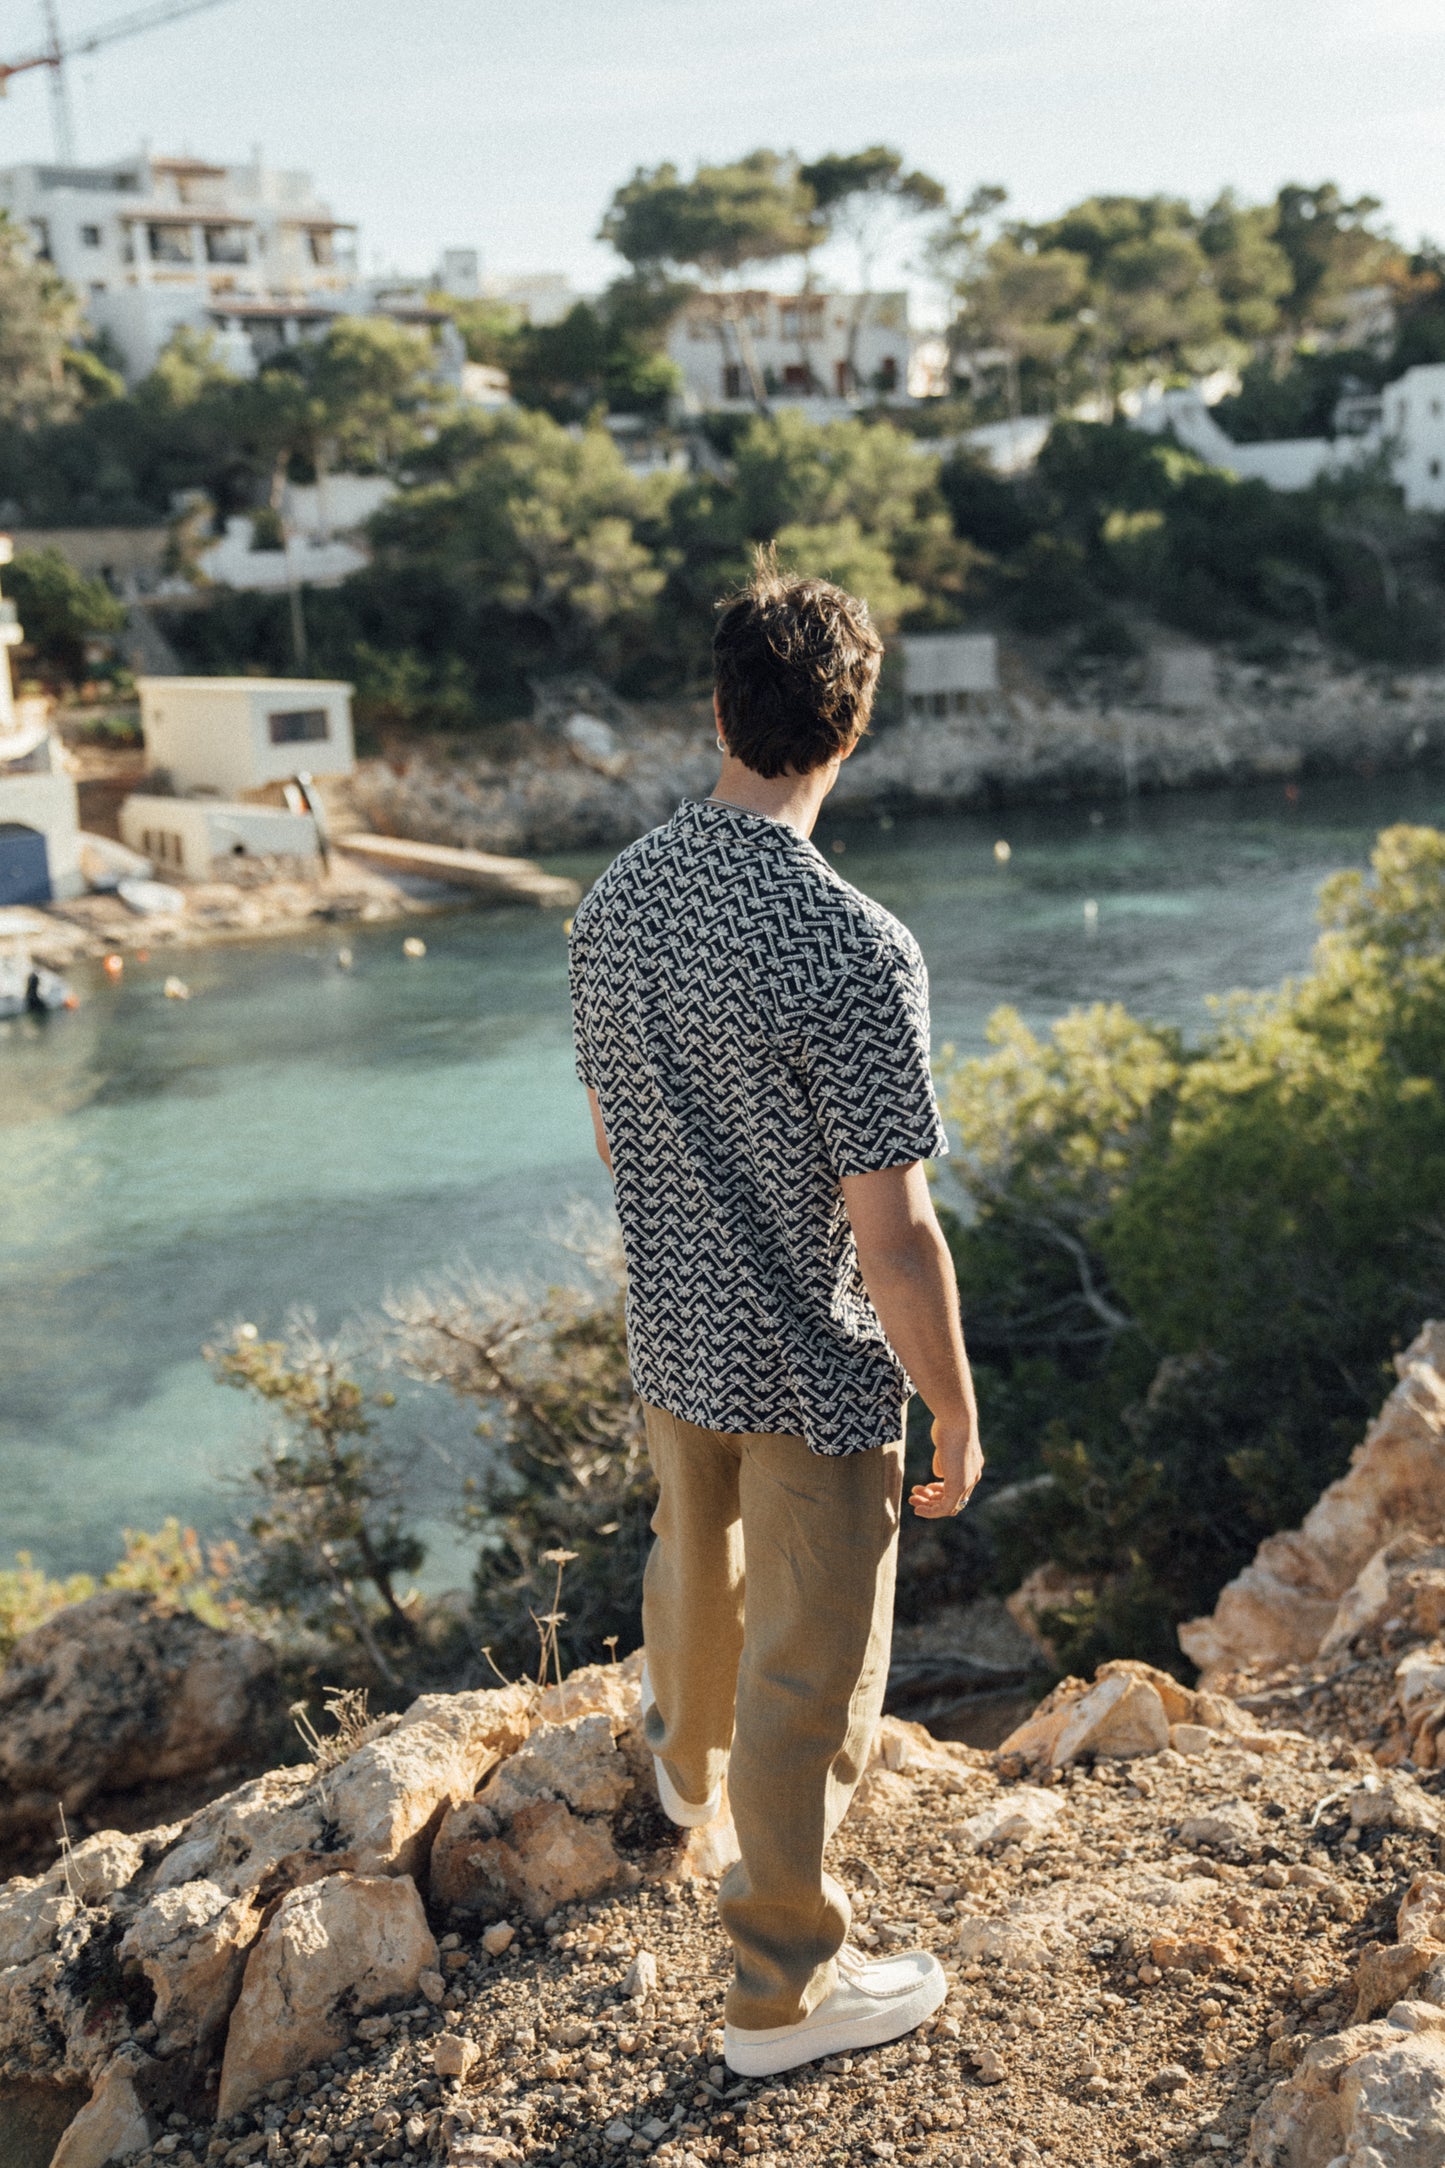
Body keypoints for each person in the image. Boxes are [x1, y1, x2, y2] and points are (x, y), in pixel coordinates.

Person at [567, 553, 983, 2078]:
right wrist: (951, 1400)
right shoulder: (857, 948)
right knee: (810, 1679)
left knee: (693, 1564)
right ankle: (779, 1995)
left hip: (671, 1335)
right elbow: (894, 1234)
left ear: (719, 710)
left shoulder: (616, 899)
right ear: (851, 726)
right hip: (812, 1370)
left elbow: (618, 1136)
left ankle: (681, 1768)